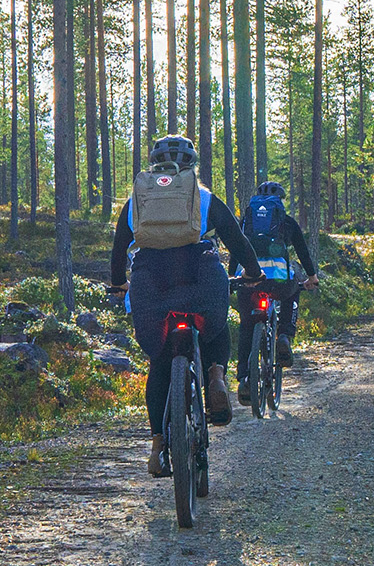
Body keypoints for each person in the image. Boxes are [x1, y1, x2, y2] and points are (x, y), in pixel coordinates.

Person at [109, 135, 263, 476]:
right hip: (200, 277)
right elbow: (237, 241)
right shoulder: (204, 196)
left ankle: (157, 446)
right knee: (215, 329)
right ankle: (216, 374)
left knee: (161, 360)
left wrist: (119, 282)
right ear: (193, 165)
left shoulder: (137, 200)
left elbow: (120, 248)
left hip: (151, 282)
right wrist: (253, 273)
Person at [238, 178, 320, 383]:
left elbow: (235, 252)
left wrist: (235, 278)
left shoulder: (246, 221)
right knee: (293, 290)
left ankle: (243, 378)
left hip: (249, 280)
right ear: (280, 200)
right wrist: (312, 277)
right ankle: (284, 334)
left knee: (246, 325)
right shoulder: (287, 221)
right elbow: (302, 252)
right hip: (278, 280)